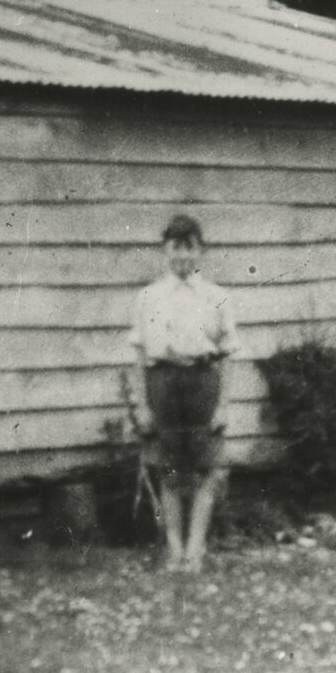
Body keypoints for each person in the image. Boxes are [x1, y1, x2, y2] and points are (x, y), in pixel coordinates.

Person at [127, 214, 238, 573]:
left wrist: (223, 404)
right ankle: (174, 551)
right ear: (165, 250)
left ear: (200, 251)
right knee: (170, 473)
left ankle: (195, 551)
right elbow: (140, 355)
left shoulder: (217, 297)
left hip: (203, 381)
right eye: (175, 248)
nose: (182, 257)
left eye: (189, 249)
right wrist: (143, 404)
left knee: (206, 470)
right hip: (163, 384)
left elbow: (229, 355)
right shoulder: (148, 297)